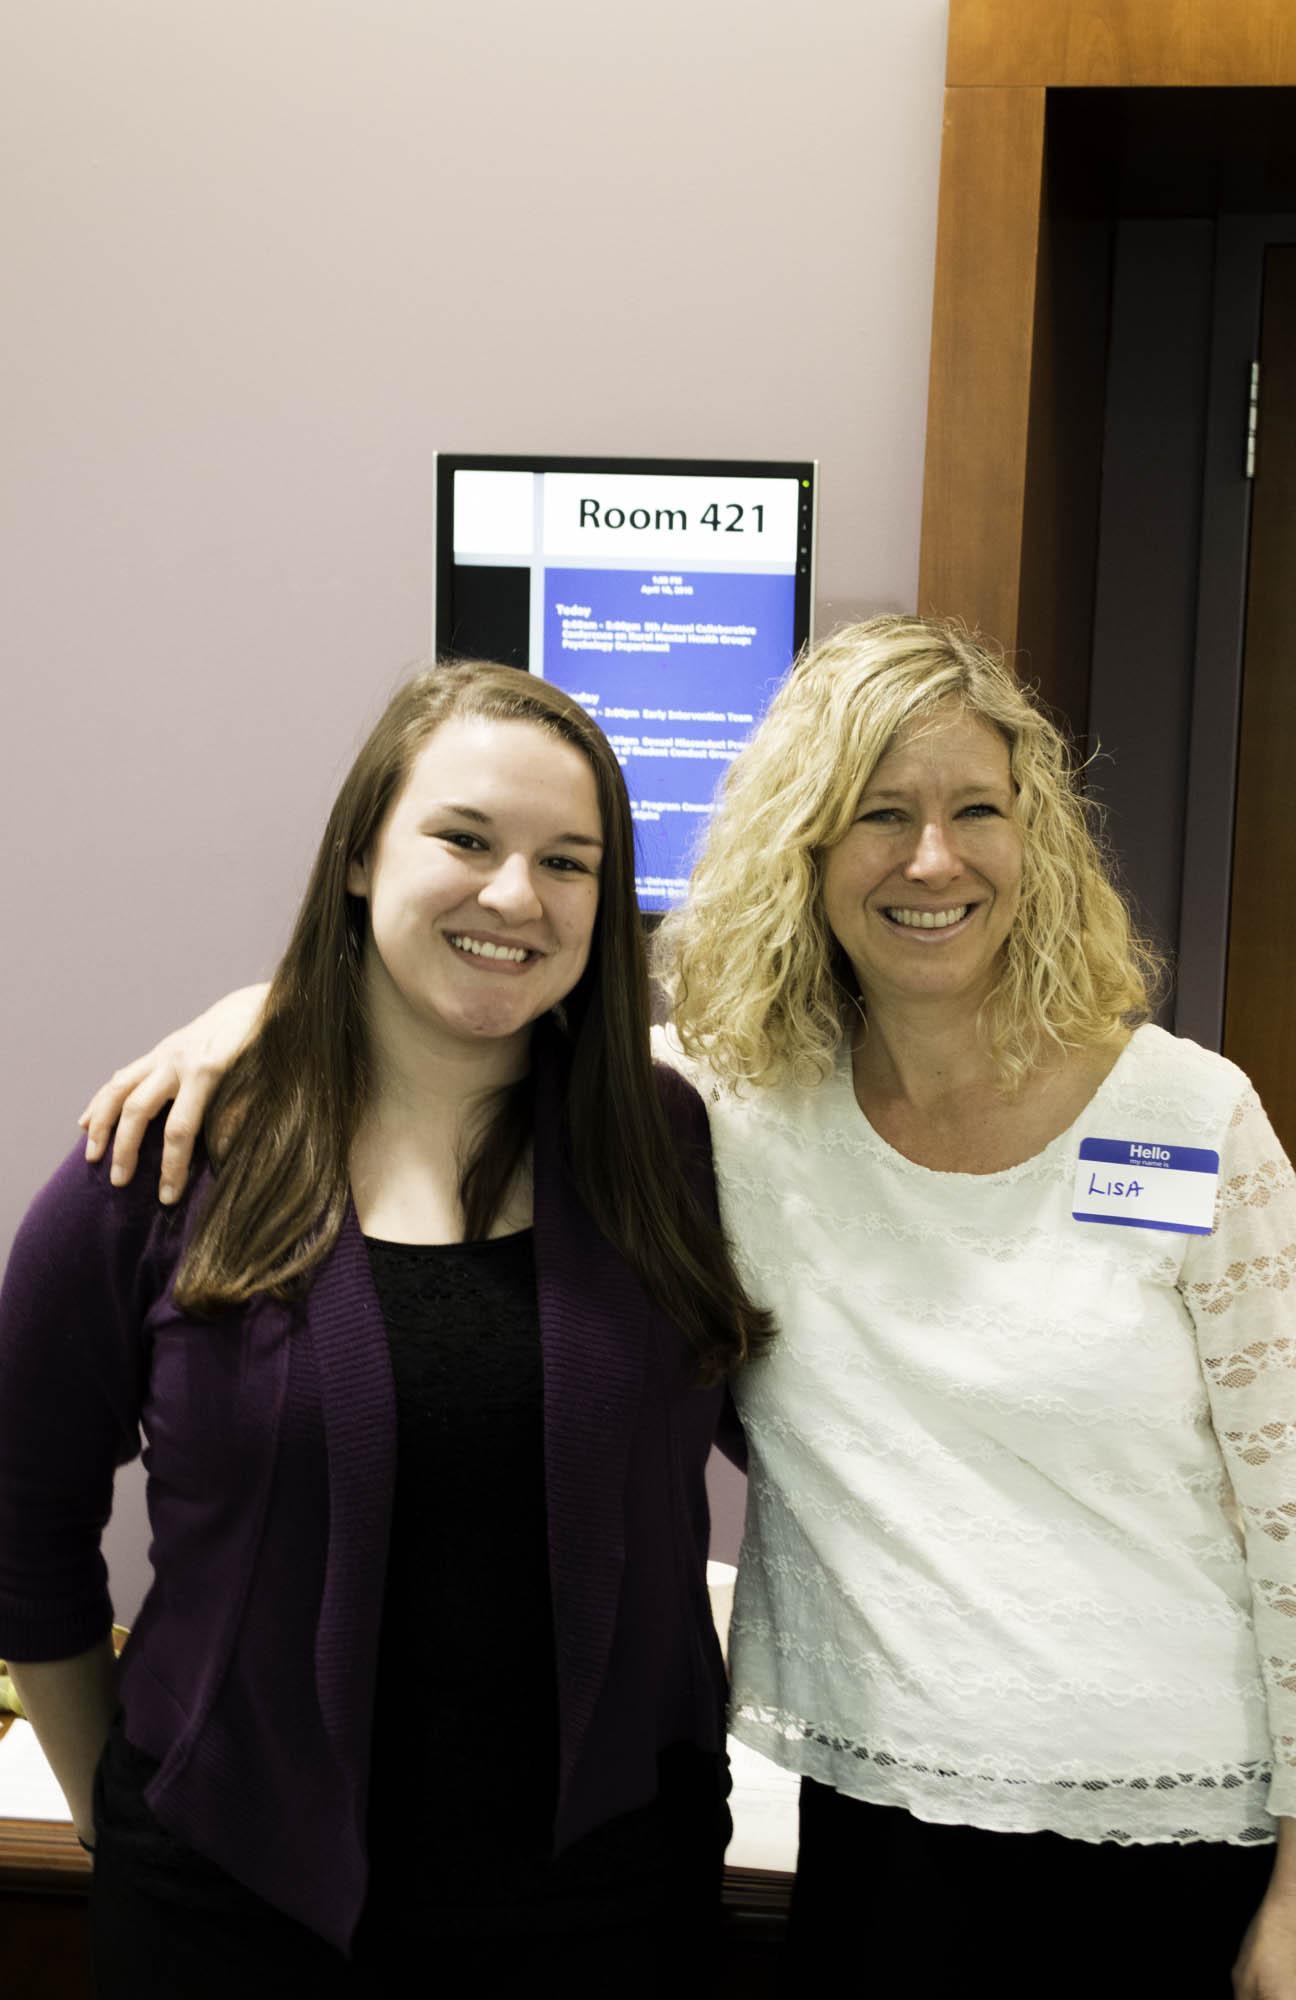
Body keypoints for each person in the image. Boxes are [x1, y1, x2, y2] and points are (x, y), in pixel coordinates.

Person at [74, 616, 1296, 1998]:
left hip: (1176, 1835)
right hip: (884, 1826)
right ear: (802, 849)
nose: (932, 858)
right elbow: (475, 1008)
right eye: (876, 815)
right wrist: (268, 1012)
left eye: (978, 810)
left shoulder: (1185, 1119)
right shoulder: (727, 1115)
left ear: (1037, 841)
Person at [0, 660, 771, 1998]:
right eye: (463, 840)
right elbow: (21, 1512)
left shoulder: (665, 1146)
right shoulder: (167, 1151)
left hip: (606, 1914)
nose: (515, 895)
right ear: (362, 857)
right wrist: (111, 1805)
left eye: (569, 862)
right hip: (232, 1914)